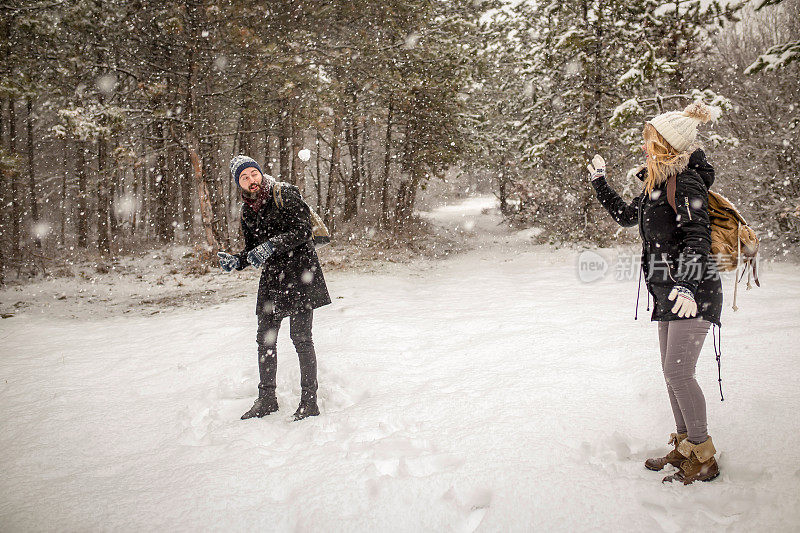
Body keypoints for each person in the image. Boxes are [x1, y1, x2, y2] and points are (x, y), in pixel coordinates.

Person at [587, 103, 724, 484]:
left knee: (679, 374)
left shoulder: (687, 182)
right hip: (669, 291)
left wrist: (687, 285)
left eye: (651, 141)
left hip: (692, 291)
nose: (645, 147)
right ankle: (684, 448)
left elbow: (699, 238)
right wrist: (600, 183)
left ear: (668, 145)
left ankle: (703, 456)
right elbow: (628, 217)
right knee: (671, 374)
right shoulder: (657, 185)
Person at [218, 155, 331, 421]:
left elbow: (303, 231)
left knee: (301, 338)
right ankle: (267, 399)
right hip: (272, 279)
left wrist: (271, 246)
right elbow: (252, 250)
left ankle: (309, 401)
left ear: (260, 173)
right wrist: (238, 261)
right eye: (244, 178)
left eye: (253, 174)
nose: (251, 180)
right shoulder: (247, 211)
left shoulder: (286, 194)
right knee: (265, 339)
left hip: (301, 273)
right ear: (240, 184)